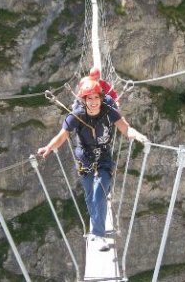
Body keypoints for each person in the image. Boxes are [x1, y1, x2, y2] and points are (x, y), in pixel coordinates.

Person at [37, 77, 148, 251]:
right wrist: (48, 148)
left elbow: (125, 128)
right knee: (90, 195)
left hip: (103, 155)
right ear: (84, 100)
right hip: (85, 157)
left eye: (97, 97)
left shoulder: (109, 110)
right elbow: (62, 136)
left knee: (99, 193)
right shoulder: (76, 115)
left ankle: (98, 234)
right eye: (90, 98)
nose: (94, 102)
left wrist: (137, 135)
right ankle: (96, 220)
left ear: (101, 98)